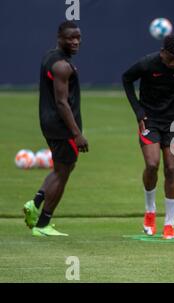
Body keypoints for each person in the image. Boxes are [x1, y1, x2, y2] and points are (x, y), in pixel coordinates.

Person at [122, 35, 174, 239]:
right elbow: (126, 78)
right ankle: (150, 211)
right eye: (169, 59)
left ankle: (170, 223)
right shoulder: (147, 63)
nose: (173, 63)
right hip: (150, 119)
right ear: (162, 52)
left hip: (173, 121)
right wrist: (137, 110)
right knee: (153, 164)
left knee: (171, 168)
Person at [23, 21, 88, 237]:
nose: (75, 41)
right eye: (70, 38)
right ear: (59, 38)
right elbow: (62, 102)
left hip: (49, 123)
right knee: (62, 173)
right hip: (63, 127)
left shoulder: (51, 57)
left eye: (78, 37)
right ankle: (43, 224)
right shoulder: (62, 65)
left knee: (64, 168)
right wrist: (77, 134)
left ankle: (36, 203)